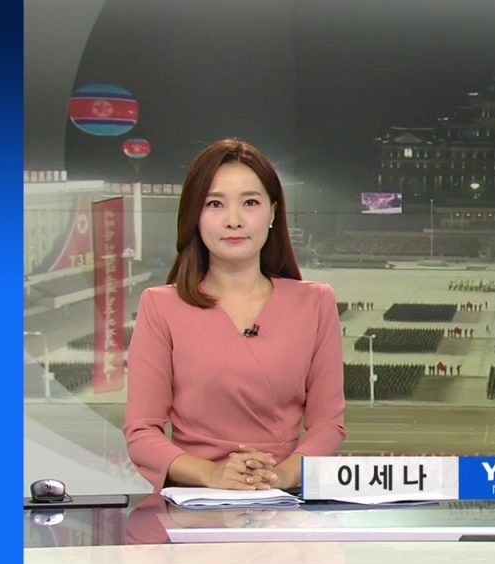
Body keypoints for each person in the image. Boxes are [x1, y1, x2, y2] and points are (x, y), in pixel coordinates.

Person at [124, 138, 346, 492]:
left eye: (250, 203)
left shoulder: (315, 302)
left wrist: (281, 476)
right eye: (214, 204)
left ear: (273, 213)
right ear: (194, 215)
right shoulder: (160, 306)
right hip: (195, 504)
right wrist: (211, 474)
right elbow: (141, 433)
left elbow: (328, 426)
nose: (233, 220)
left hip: (284, 502)